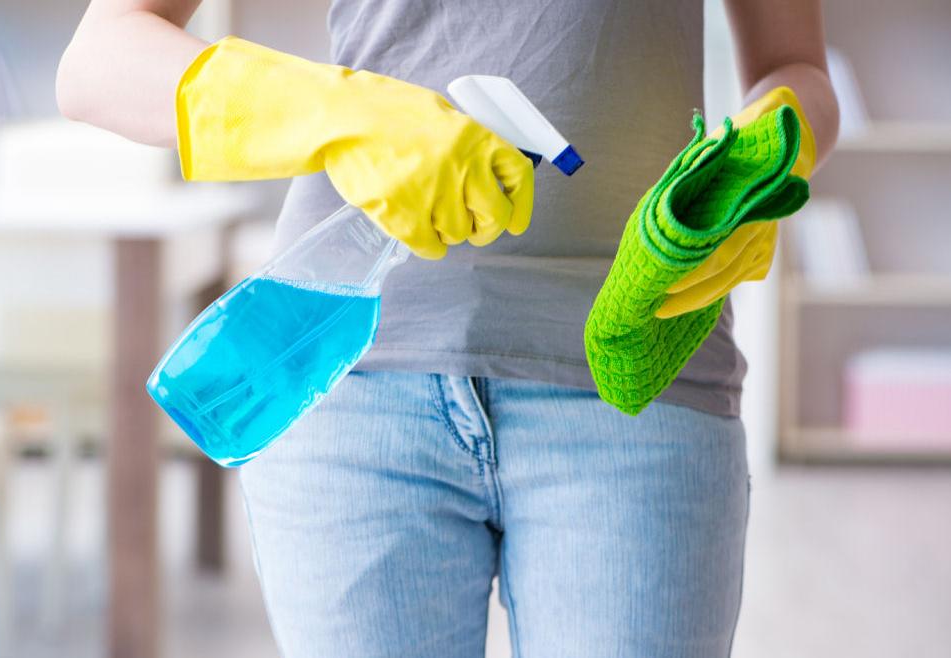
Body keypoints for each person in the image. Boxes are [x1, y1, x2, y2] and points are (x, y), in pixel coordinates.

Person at [57, 1, 838, 656]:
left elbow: (795, 68)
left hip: (636, 385)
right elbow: (101, 58)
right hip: (351, 382)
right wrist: (343, 110)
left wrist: (772, 154)